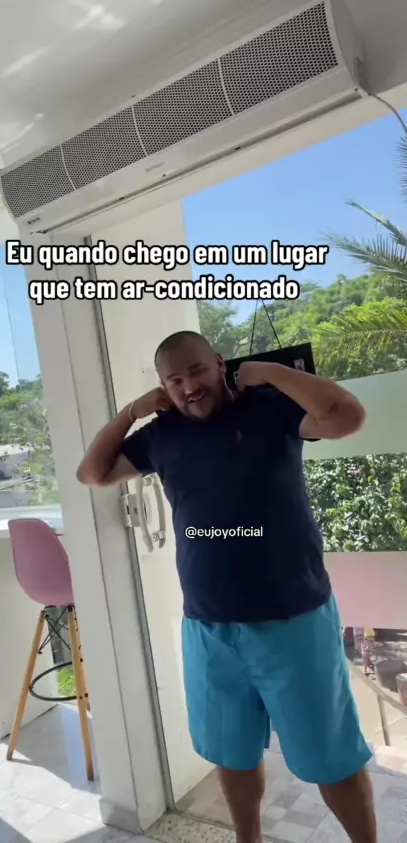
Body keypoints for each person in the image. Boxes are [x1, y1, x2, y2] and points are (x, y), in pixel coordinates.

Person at [77, 330, 376, 843]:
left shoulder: (271, 408)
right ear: (163, 387)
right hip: (208, 628)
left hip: (294, 621)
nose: (188, 386)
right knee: (230, 753)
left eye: (196, 370)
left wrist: (271, 373)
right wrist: (130, 412)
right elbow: (93, 473)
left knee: (331, 755)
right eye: (174, 379)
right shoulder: (162, 435)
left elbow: (349, 417)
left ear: (219, 364)